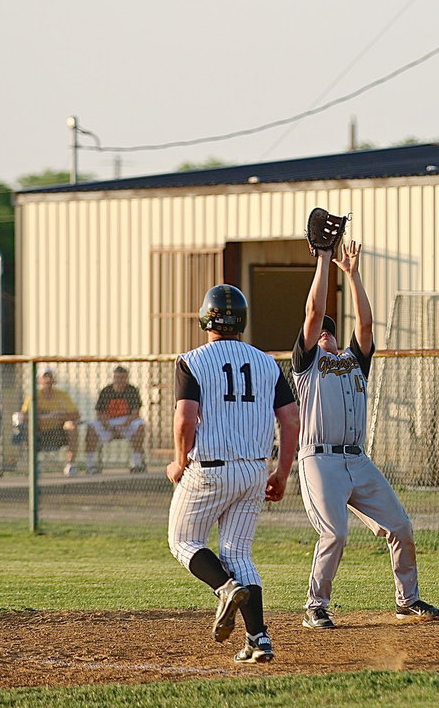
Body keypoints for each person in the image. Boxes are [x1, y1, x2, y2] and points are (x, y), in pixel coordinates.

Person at [292, 241, 439, 630]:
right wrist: (324, 260)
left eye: (329, 330)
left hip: (357, 460)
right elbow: (313, 311)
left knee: (401, 527)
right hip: (319, 459)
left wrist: (353, 275)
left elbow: (366, 325)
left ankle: (407, 601)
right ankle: (316, 606)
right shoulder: (307, 366)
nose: (324, 333)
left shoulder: (353, 362)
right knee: (335, 533)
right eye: (319, 331)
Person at [167, 284, 299, 664]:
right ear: (241, 320)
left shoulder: (192, 359)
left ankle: (224, 589)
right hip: (255, 470)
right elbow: (290, 419)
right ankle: (260, 640)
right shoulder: (266, 362)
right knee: (238, 552)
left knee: (183, 540)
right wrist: (282, 473)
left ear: (205, 318)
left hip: (209, 467)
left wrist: (179, 460)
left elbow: (185, 418)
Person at [84, 365, 147, 474]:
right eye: (117, 378)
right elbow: (99, 413)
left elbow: (136, 413)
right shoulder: (106, 391)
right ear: (113, 378)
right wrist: (107, 425)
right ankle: (90, 465)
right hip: (108, 422)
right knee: (91, 426)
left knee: (140, 424)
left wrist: (123, 425)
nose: (120, 381)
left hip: (126, 422)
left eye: (122, 378)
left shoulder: (132, 390)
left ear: (127, 378)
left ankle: (136, 463)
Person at [20, 367, 80, 476]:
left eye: (50, 377)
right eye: (44, 377)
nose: (47, 380)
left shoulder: (62, 395)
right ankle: (35, 466)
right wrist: (41, 417)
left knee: (71, 425)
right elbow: (23, 415)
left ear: (54, 380)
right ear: (39, 380)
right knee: (29, 428)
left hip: (58, 432)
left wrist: (62, 416)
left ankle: (70, 465)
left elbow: (76, 414)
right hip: (39, 432)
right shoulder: (33, 395)